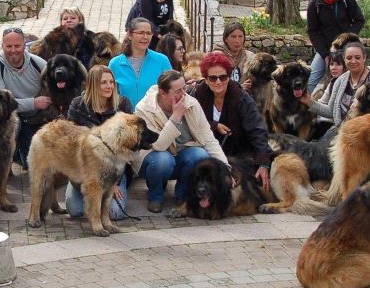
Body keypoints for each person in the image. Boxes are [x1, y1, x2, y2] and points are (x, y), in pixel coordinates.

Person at [134, 70, 229, 213]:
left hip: (182, 155)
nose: (184, 94)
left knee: (200, 155)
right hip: (154, 159)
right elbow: (158, 145)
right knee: (163, 160)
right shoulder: (144, 109)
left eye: (184, 88)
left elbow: (209, 139)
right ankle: (155, 196)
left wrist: (226, 168)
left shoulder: (191, 103)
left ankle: (182, 195)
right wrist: (176, 117)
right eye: (178, 91)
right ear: (163, 93)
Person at [191, 51, 271, 189]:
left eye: (223, 77)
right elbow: (190, 122)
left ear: (229, 76)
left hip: (238, 152)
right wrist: (214, 125)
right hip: (205, 149)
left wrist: (264, 163)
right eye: (213, 78)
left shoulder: (241, 97)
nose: (218, 82)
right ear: (205, 78)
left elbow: (257, 129)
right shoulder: (197, 94)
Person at [64, 65, 134, 220]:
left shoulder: (123, 105)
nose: (109, 86)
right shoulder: (78, 105)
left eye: (111, 82)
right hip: (84, 172)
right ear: (93, 85)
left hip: (115, 172)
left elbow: (128, 147)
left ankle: (112, 192)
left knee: (114, 213)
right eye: (103, 82)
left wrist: (113, 182)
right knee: (76, 211)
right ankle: (86, 193)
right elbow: (70, 142)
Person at [0, 27, 50, 168]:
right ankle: (8, 159)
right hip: (12, 118)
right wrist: (34, 103)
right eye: (8, 46)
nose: (13, 50)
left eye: (17, 46)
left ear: (24, 44)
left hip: (38, 117)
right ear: (2, 46)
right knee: (29, 161)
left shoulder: (37, 63)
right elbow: (2, 105)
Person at [307, 0, 364, 93]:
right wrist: (325, 53)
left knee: (353, 80)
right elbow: (312, 31)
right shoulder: (315, 4)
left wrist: (348, 37)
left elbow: (359, 20)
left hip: (346, 47)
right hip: (325, 48)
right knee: (310, 82)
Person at [310, 42, 370, 128]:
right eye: (349, 58)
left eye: (357, 58)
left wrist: (361, 103)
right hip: (342, 129)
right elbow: (331, 111)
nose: (353, 61)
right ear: (344, 59)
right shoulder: (340, 81)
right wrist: (308, 102)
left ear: (364, 58)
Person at [109, 17, 173, 107]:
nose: (145, 37)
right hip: (125, 118)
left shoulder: (162, 61)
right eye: (141, 33)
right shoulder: (115, 64)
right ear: (130, 35)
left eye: (149, 33)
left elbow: (172, 91)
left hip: (154, 118)